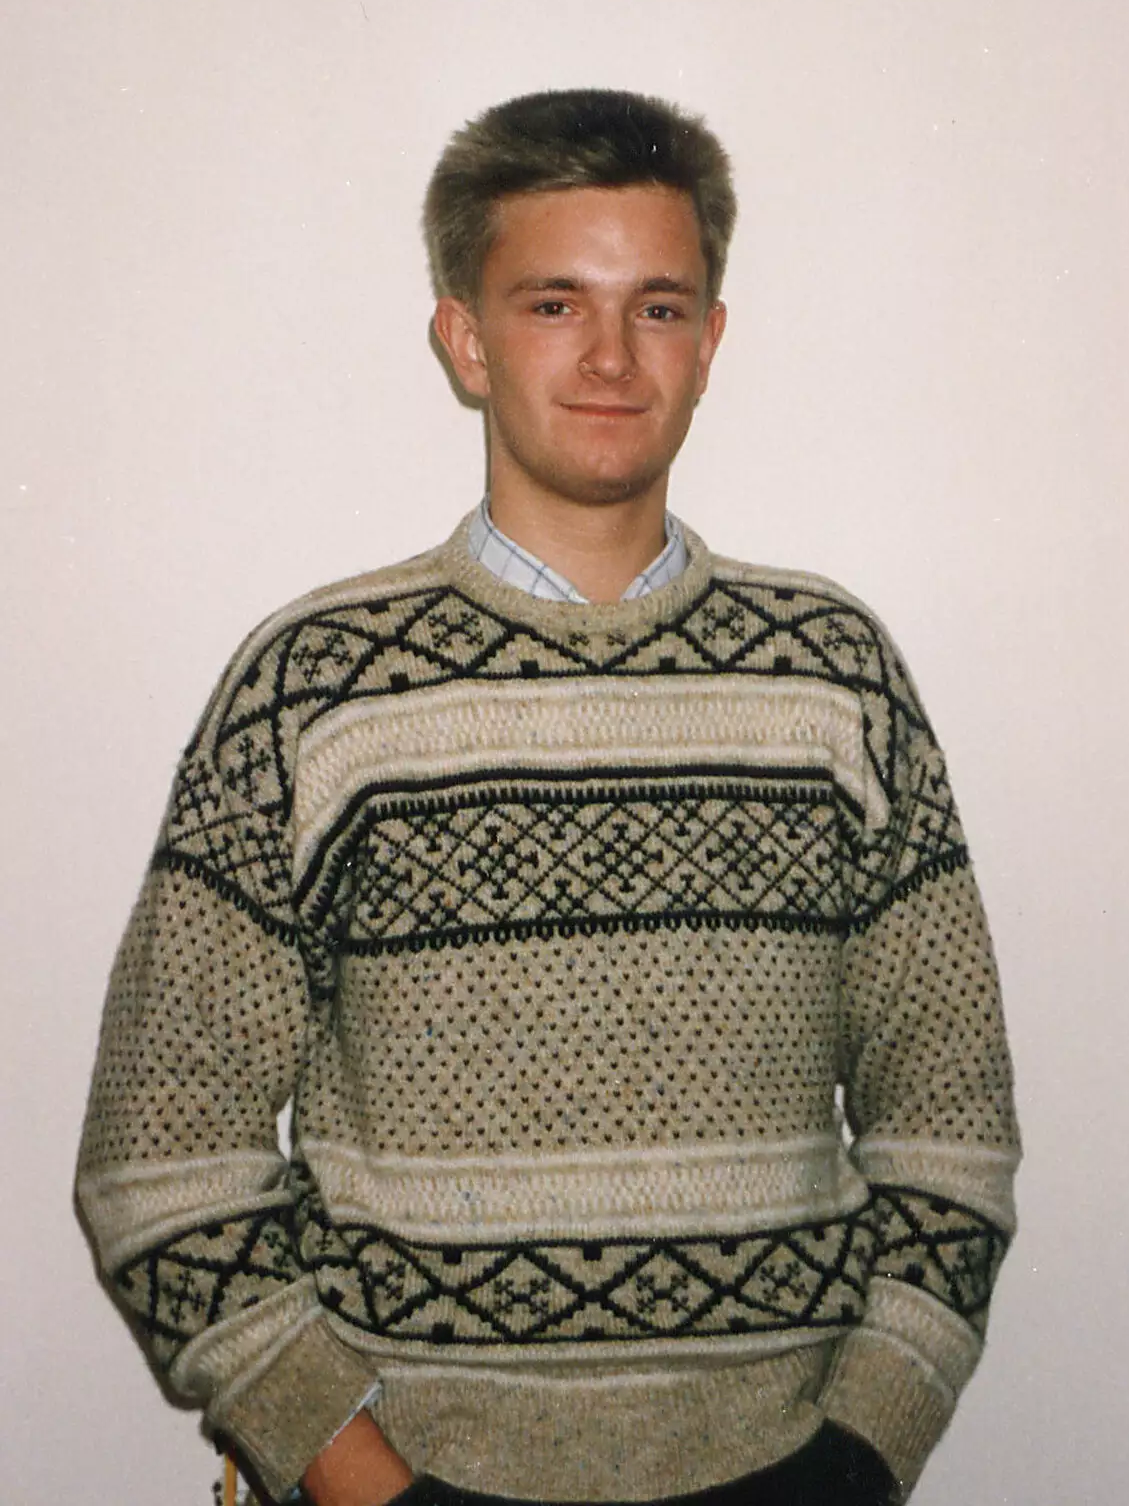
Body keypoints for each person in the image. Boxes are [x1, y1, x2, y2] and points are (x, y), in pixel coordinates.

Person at [77, 89, 1020, 1506]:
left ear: (710, 344)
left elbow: (951, 1122)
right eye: (551, 305)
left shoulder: (835, 678)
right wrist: (366, 1483)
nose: (607, 358)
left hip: (786, 1472)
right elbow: (162, 1159)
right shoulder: (316, 690)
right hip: (409, 1477)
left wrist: (857, 1454)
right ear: (464, 338)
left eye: (655, 308)